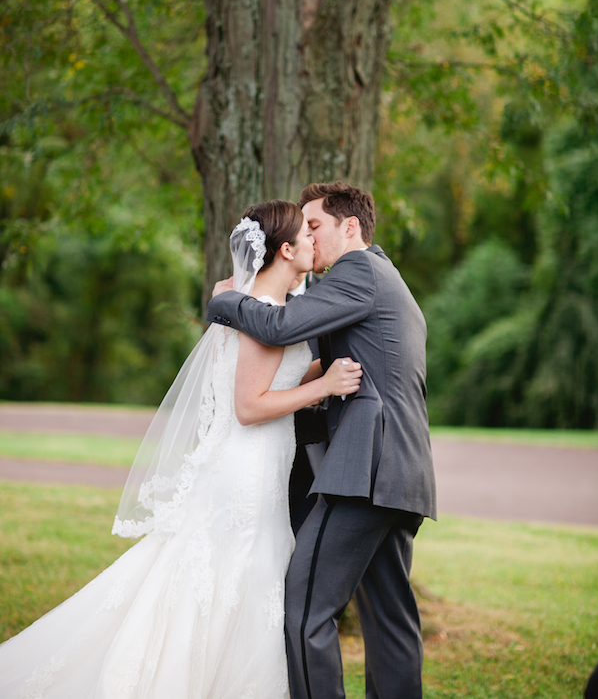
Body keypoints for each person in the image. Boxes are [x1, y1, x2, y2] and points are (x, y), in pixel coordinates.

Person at [0, 199, 362, 699]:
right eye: (307, 235)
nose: (315, 243)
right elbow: (249, 406)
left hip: (256, 464)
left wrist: (324, 370)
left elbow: (278, 377)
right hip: (246, 468)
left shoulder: (254, 305)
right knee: (230, 576)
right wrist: (323, 389)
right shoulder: (260, 315)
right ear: (285, 250)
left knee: (234, 577)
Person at [208, 181, 437, 699]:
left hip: (366, 470)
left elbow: (281, 325)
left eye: (315, 226)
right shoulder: (386, 277)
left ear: (349, 227)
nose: (308, 238)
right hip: (402, 475)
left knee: (305, 606)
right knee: (390, 618)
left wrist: (224, 301)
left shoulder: (358, 271)